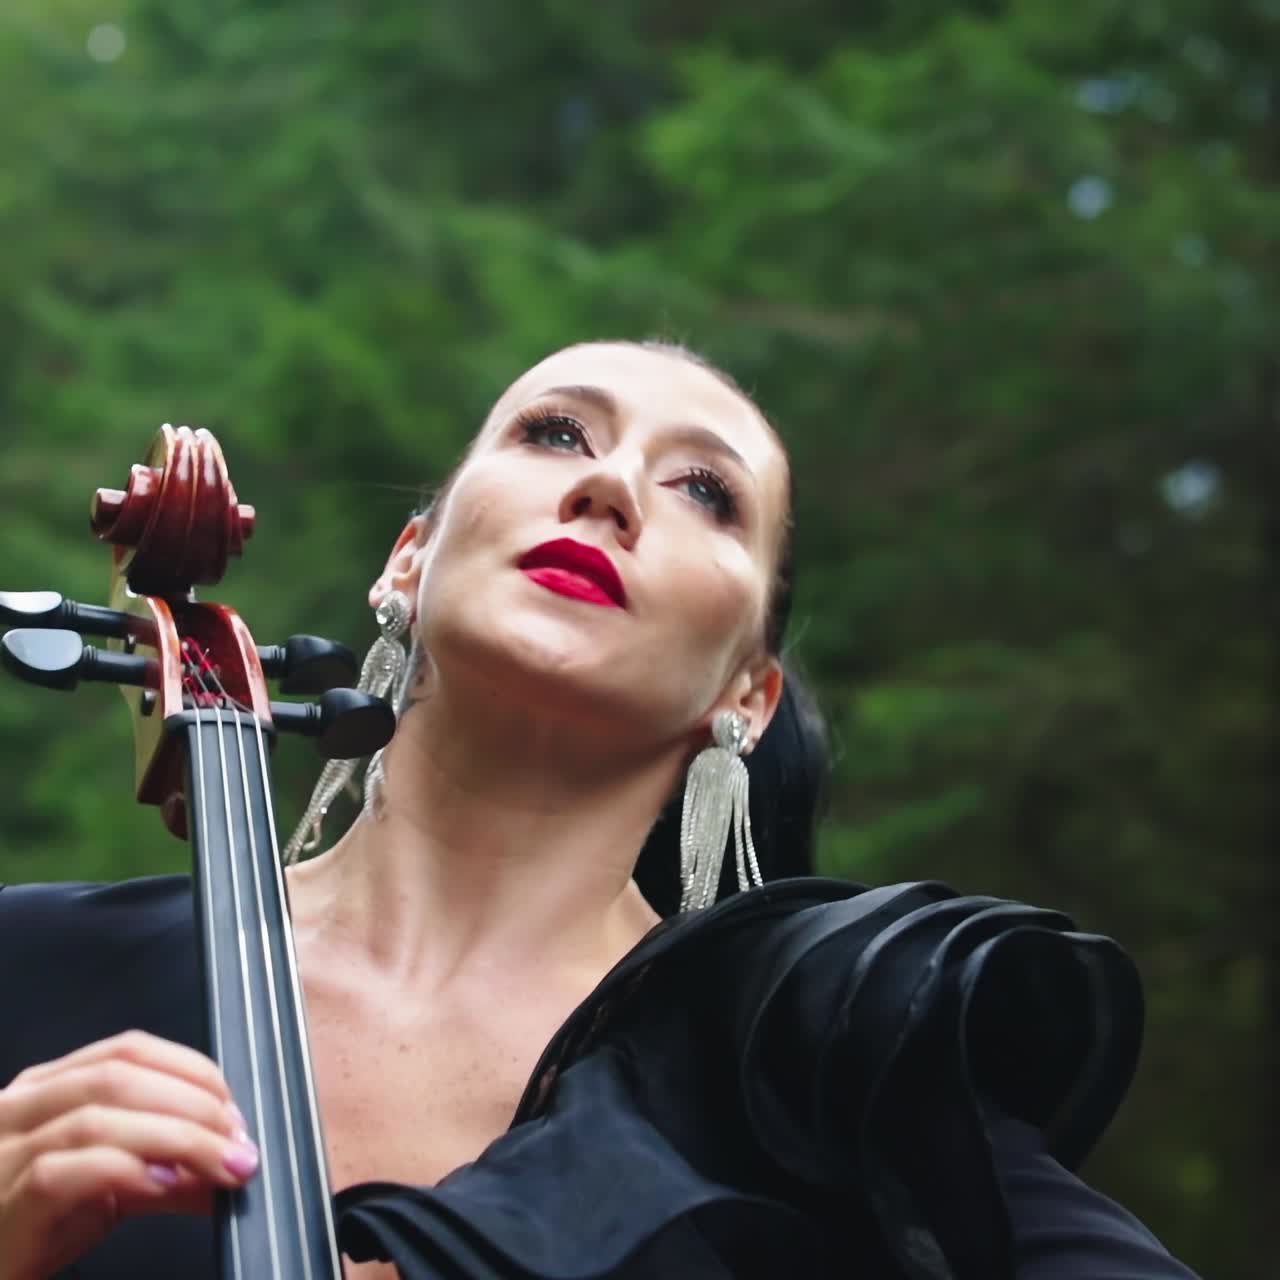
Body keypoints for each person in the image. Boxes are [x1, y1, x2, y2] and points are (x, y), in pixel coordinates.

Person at [0, 340, 1198, 1279]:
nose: (611, 485)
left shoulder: (807, 1089)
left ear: (746, 692)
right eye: (554, 431)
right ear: (406, 561)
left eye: (705, 493)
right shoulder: (29, 968)